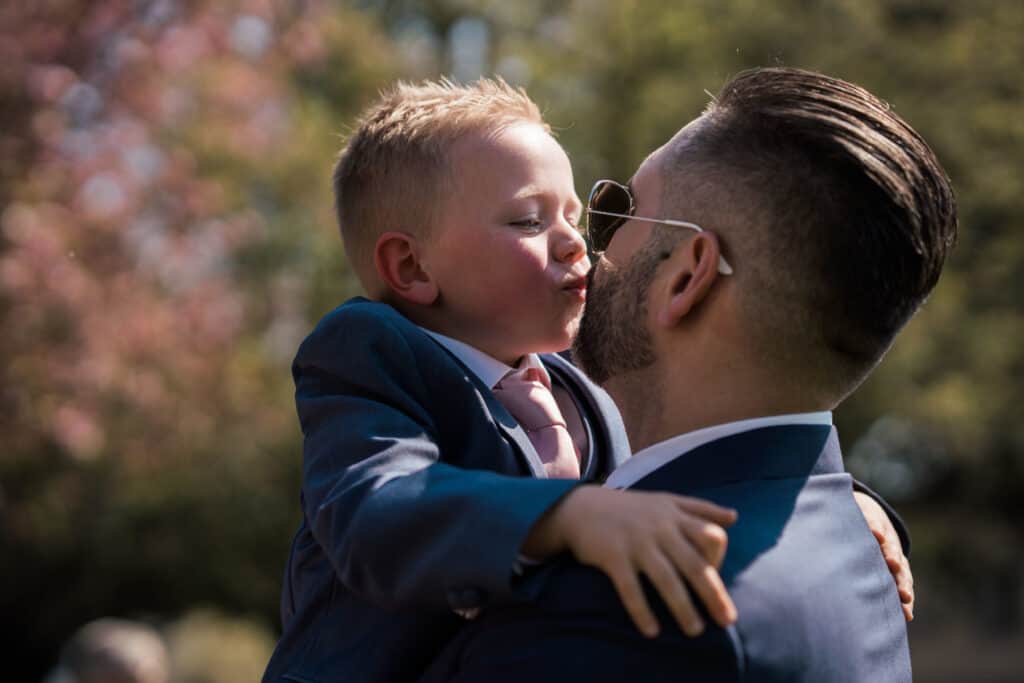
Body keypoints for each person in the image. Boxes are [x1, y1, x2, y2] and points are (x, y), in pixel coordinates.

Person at [263, 77, 912, 683]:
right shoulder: (371, 357)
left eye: (575, 215)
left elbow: (721, 433)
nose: (578, 243)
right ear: (410, 265)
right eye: (528, 220)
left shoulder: (574, 377)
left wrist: (838, 493)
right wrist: (565, 513)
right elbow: (377, 508)